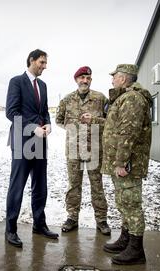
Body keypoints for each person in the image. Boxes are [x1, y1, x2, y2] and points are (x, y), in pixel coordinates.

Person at [5, 49, 59, 248]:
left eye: (45, 63)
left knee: (40, 185)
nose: (45, 66)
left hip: (40, 141)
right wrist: (32, 127)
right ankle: (10, 229)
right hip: (22, 141)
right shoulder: (16, 82)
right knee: (17, 186)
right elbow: (11, 112)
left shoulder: (43, 85)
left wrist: (47, 123)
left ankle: (39, 224)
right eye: (42, 62)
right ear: (31, 60)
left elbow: (43, 110)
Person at [101, 64, 152, 265]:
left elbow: (128, 133)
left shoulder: (132, 99)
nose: (112, 80)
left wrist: (121, 162)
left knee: (131, 203)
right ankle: (126, 239)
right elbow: (115, 125)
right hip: (120, 163)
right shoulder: (125, 97)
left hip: (127, 164)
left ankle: (136, 249)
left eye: (115, 77)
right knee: (123, 202)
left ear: (123, 79)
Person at [55, 66, 111, 235]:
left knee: (97, 186)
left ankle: (101, 220)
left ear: (91, 80)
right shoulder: (67, 100)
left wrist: (94, 121)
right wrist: (74, 131)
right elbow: (58, 120)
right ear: (76, 80)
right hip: (73, 148)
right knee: (74, 185)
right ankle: (72, 217)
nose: (84, 81)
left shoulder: (101, 99)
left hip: (94, 148)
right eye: (82, 78)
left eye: (87, 78)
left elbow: (110, 121)